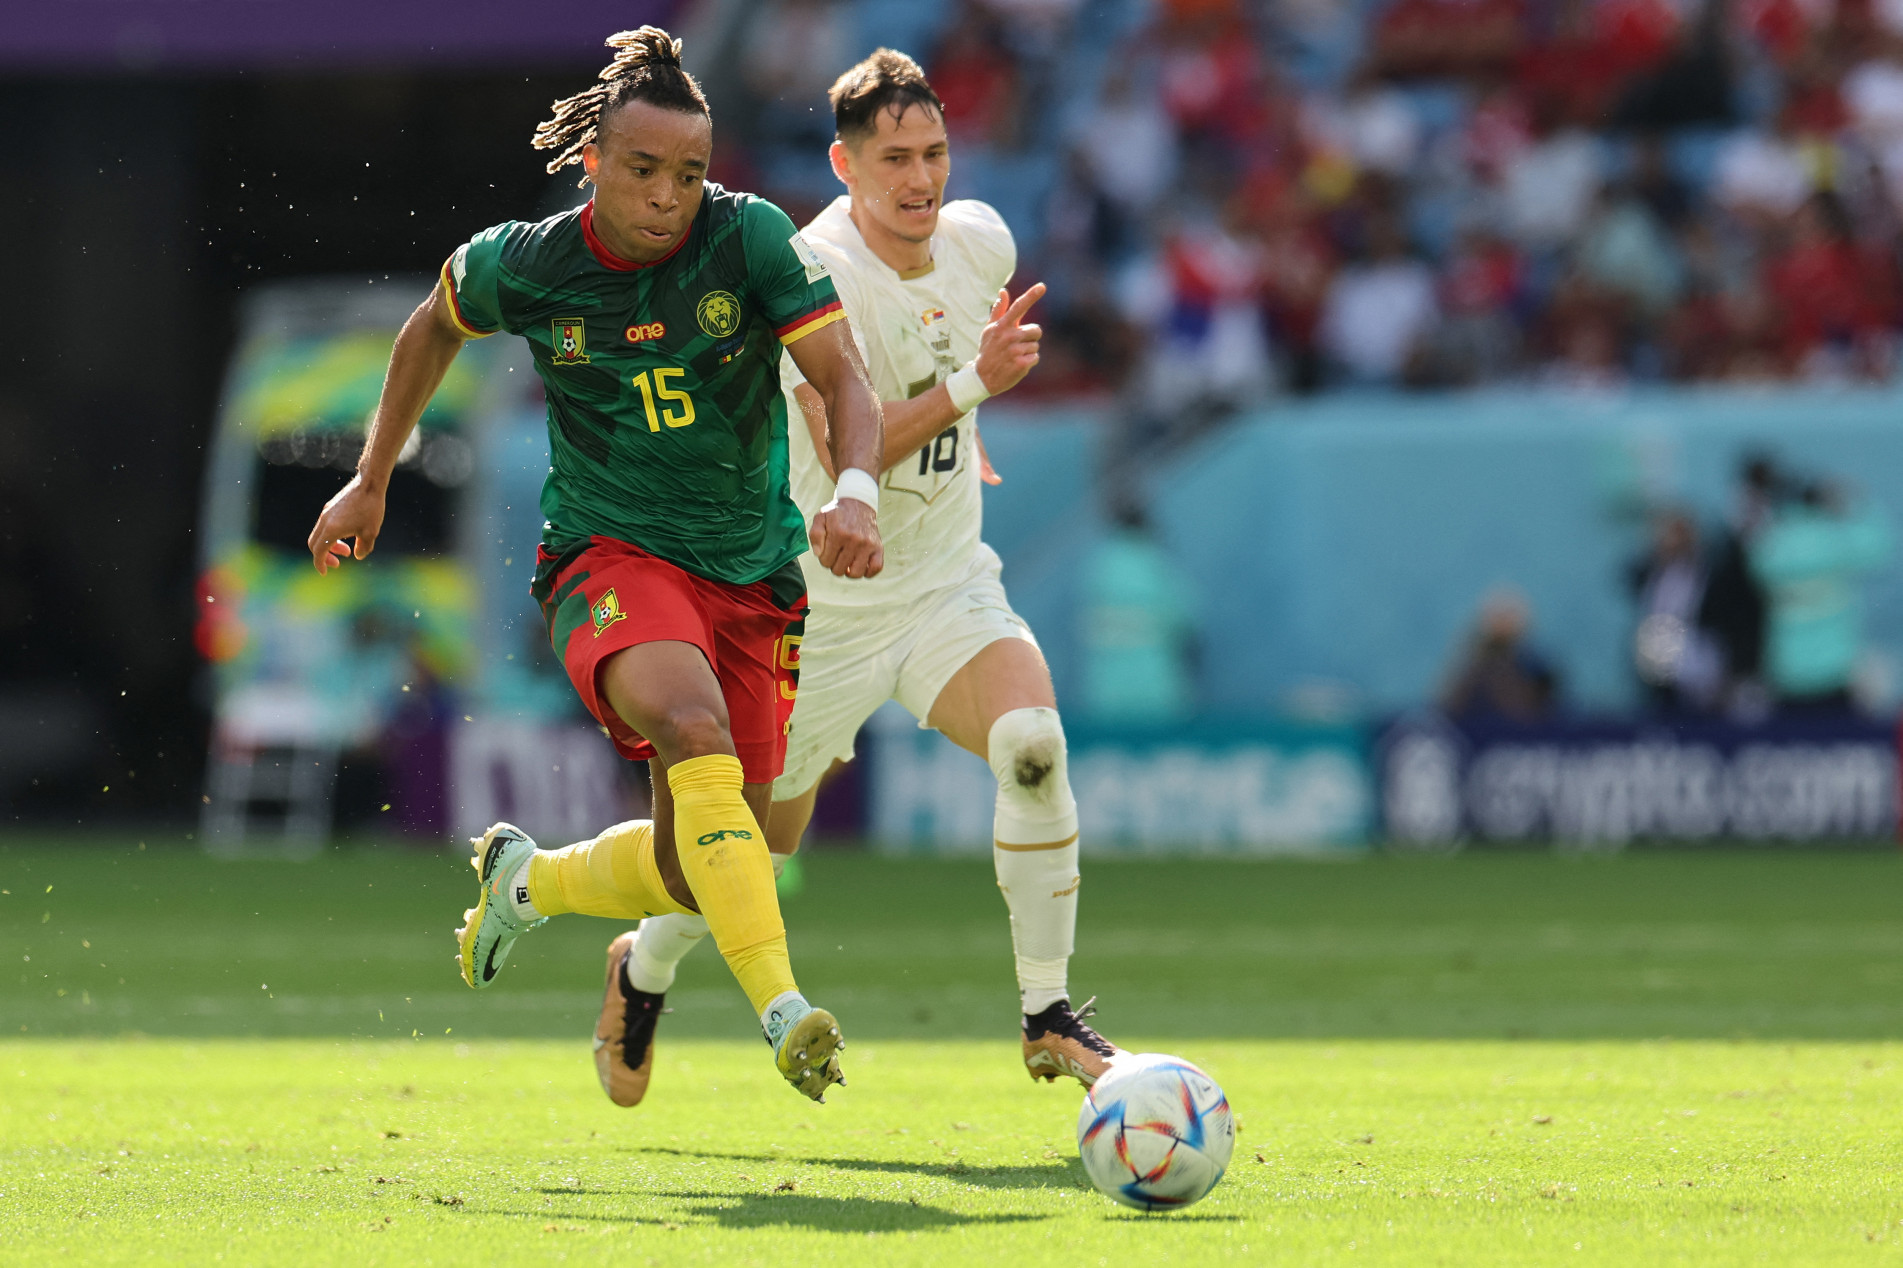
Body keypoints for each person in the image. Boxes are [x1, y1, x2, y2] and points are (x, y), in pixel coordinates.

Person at [303, 28, 886, 1104]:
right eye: (643, 169)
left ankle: (532, 881)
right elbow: (431, 325)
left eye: (691, 172)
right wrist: (374, 473)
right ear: (592, 163)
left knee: (703, 863)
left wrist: (852, 491)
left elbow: (841, 376)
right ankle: (785, 1009)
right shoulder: (529, 261)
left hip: (750, 574)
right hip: (608, 553)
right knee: (692, 725)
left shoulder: (749, 239)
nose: (670, 195)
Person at [596, 49, 1124, 1109]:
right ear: (844, 164)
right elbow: (847, 439)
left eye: (932, 152)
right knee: (733, 855)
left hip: (941, 585)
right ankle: (639, 965)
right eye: (894, 159)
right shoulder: (809, 269)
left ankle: (1048, 1012)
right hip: (815, 611)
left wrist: (966, 397)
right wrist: (977, 381)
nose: (919, 178)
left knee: (1033, 745)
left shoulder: (981, 241)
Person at [1440, 589, 1562, 723]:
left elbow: (1548, 704)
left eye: (1508, 616)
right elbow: (1451, 702)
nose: (1503, 623)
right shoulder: (1473, 666)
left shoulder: (1535, 665)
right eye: (1499, 617)